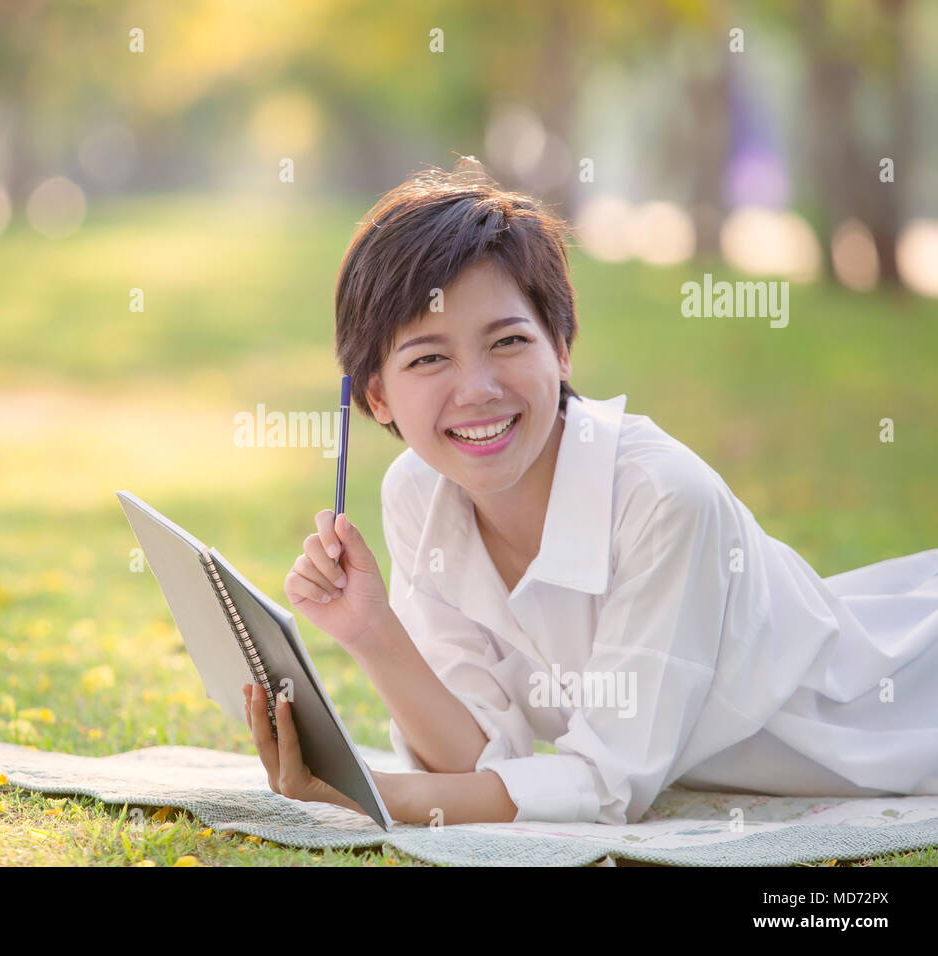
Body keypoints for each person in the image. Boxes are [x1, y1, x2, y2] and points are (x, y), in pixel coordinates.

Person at [242, 157, 938, 827]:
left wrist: (367, 796)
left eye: (509, 341)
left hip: (902, 714)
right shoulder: (419, 492)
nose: (477, 389)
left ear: (563, 347)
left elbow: (607, 786)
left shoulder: (663, 498)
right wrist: (370, 632)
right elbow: (483, 760)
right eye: (429, 357)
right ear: (377, 395)